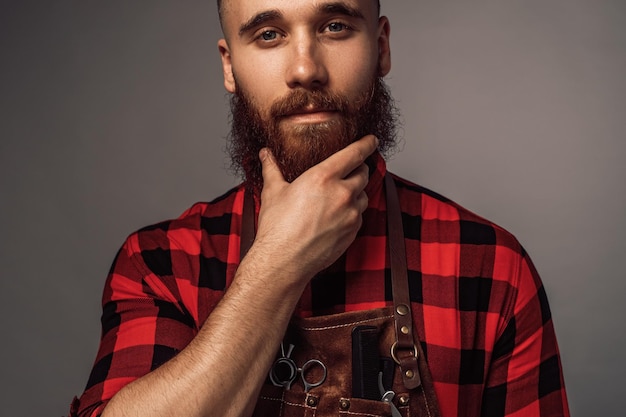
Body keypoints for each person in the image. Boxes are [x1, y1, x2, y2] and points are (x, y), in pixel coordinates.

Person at [69, 1, 570, 416]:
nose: (306, 68)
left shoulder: (492, 267)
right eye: (268, 34)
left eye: (335, 27)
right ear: (229, 65)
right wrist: (278, 265)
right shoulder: (161, 263)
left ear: (381, 46)